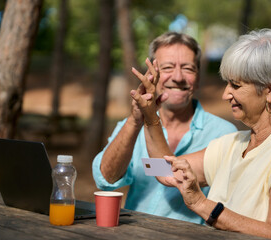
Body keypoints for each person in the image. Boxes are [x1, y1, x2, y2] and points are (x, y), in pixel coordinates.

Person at [130, 28, 271, 239]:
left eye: (235, 85)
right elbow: (163, 171)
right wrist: (151, 115)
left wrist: (201, 204)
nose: (225, 94)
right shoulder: (231, 145)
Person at [92, 32, 237, 224]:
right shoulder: (131, 126)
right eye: (167, 67)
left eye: (188, 68)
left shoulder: (225, 134)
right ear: (150, 76)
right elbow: (105, 181)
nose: (178, 77)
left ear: (198, 78)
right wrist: (135, 121)